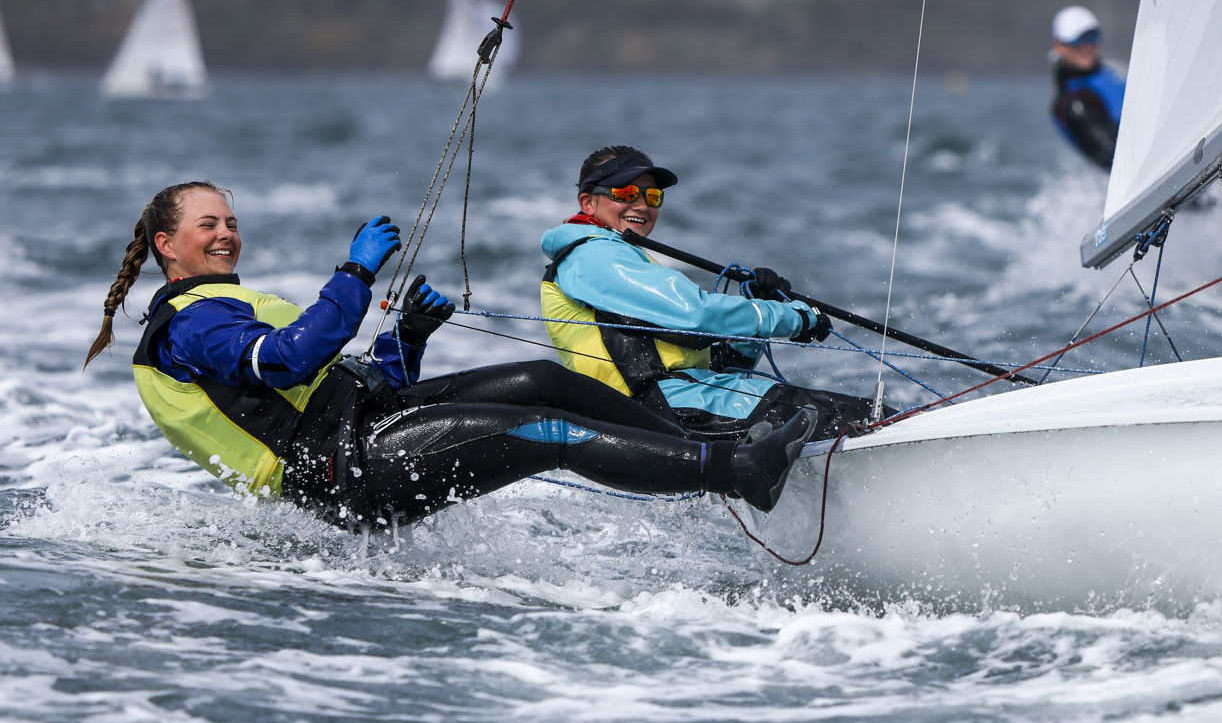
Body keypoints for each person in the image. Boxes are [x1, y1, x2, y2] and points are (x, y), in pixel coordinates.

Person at [84, 181, 820, 529]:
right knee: (544, 432)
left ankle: (700, 446)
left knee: (542, 379)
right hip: (338, 472)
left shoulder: (220, 306)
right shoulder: (185, 328)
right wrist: (354, 274)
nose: (226, 234)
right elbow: (287, 362)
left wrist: (407, 339)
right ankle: (734, 471)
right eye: (208, 224)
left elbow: (350, 386)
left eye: (232, 221)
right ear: (165, 246)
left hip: (359, 428)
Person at [539, 146, 874, 442]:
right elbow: (694, 316)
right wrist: (792, 318)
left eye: (652, 197)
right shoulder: (591, 255)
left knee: (862, 414)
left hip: (685, 400)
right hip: (663, 408)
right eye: (626, 193)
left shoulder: (621, 258)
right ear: (588, 202)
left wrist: (758, 310)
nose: (641, 205)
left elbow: (722, 366)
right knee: (864, 419)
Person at [1049, 5, 1126, 170]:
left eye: (1091, 37)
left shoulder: (1114, 71)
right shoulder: (1073, 105)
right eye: (1076, 40)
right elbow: (1115, 157)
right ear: (1059, 46)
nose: (1085, 47)